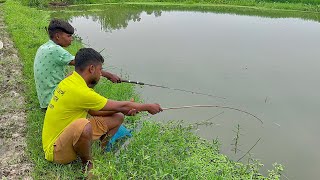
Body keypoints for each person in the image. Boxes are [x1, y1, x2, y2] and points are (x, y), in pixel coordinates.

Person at [42, 48, 162, 173]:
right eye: (100, 70)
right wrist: (148, 107)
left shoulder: (72, 79)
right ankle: (87, 165)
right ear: (91, 69)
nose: (101, 74)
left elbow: (94, 111)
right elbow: (122, 105)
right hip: (55, 151)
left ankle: (101, 150)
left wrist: (124, 111)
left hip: (67, 134)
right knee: (84, 125)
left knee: (118, 117)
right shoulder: (80, 91)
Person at [34, 18, 120, 110]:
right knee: (85, 73)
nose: (71, 39)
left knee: (74, 74)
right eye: (68, 36)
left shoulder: (45, 46)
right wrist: (109, 75)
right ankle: (90, 102)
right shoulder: (55, 50)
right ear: (58, 36)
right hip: (52, 99)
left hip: (45, 98)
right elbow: (86, 64)